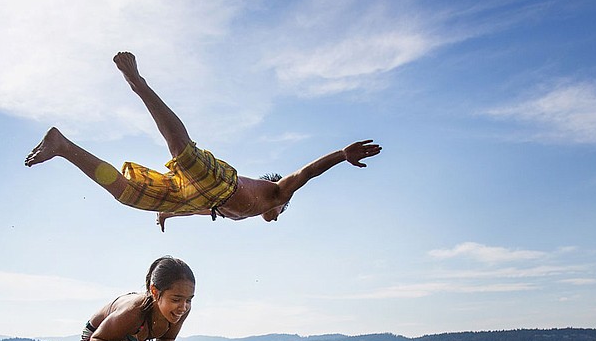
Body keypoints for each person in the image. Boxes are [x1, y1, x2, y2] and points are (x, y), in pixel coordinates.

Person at [25, 51, 382, 230]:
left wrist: (168, 213)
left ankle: (63, 147)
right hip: (221, 183)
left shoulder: (243, 215)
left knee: (126, 194)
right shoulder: (276, 194)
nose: (273, 219)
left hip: (193, 198)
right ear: (280, 204)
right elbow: (306, 174)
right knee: (181, 150)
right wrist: (340, 154)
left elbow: (200, 209)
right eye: (278, 215)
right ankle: (137, 81)